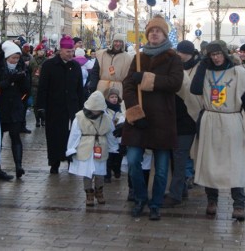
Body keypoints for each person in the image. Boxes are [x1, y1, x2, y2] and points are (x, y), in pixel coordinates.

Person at [122, 16, 183, 221]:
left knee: (162, 169)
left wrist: (147, 79)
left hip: (162, 119)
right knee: (132, 162)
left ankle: (156, 203)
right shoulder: (139, 57)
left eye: (158, 31)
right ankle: (140, 198)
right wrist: (134, 112)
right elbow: (128, 85)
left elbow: (175, 83)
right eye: (151, 31)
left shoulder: (173, 58)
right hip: (140, 118)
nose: (154, 34)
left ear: (165, 35)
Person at [190, 40, 245, 221]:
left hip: (232, 121)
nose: (216, 58)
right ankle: (212, 201)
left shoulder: (239, 73)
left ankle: (239, 204)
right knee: (210, 163)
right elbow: (195, 89)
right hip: (210, 120)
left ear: (225, 54)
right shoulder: (205, 72)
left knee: (235, 163)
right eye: (212, 55)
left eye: (218, 54)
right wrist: (202, 67)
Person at [37, 35, 85, 173]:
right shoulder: (48, 65)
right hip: (54, 107)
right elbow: (43, 88)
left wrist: (81, 108)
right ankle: (54, 162)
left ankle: (71, 161)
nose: (71, 54)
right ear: (61, 51)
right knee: (54, 136)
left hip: (71, 108)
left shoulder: (75, 66)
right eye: (68, 52)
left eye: (72, 52)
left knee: (72, 136)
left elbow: (79, 89)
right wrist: (41, 107)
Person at [163, 40, 202, 208]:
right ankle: (182, 190)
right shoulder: (179, 74)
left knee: (179, 158)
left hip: (186, 123)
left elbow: (189, 101)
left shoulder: (182, 78)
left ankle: (176, 194)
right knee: (177, 158)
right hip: (177, 123)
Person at [66, 91, 118, 207]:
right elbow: (74, 134)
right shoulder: (79, 117)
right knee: (87, 173)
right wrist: (71, 149)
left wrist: (115, 148)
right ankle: (89, 193)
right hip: (86, 148)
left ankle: (99, 192)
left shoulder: (106, 118)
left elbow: (110, 134)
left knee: (100, 172)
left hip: (101, 147)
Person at [0, 41, 30, 179]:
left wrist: (21, 79)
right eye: (12, 58)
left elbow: (27, 89)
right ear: (6, 58)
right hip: (1, 107)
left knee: (15, 136)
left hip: (15, 107)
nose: (15, 61)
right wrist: (10, 80)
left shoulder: (22, 68)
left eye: (17, 58)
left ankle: (18, 165)